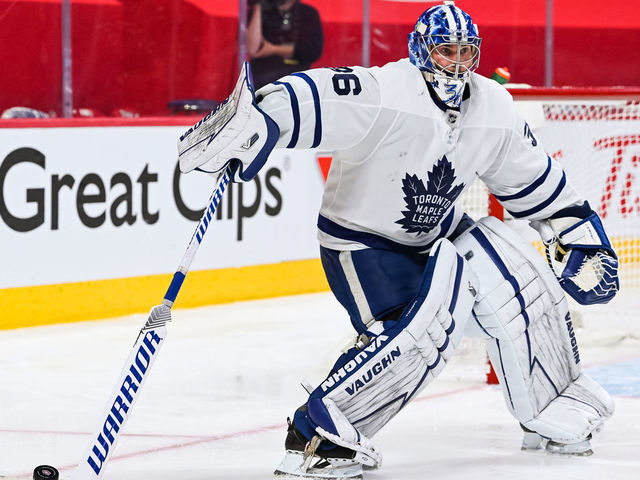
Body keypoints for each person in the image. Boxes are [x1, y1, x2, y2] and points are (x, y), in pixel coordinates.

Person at [178, 1, 619, 478]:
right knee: (422, 329)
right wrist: (260, 122)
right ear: (421, 51)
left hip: (435, 235)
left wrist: (577, 234)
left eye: (467, 52)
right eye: (445, 51)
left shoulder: (493, 107)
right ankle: (318, 434)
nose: (458, 63)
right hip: (363, 244)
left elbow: (534, 181)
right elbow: (316, 93)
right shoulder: (385, 92)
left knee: (515, 272)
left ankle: (551, 401)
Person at [246, 0, 324, 89]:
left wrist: (273, 50)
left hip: (297, 82)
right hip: (263, 82)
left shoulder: (308, 13)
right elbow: (252, 49)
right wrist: (258, 7)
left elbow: (313, 51)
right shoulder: (262, 11)